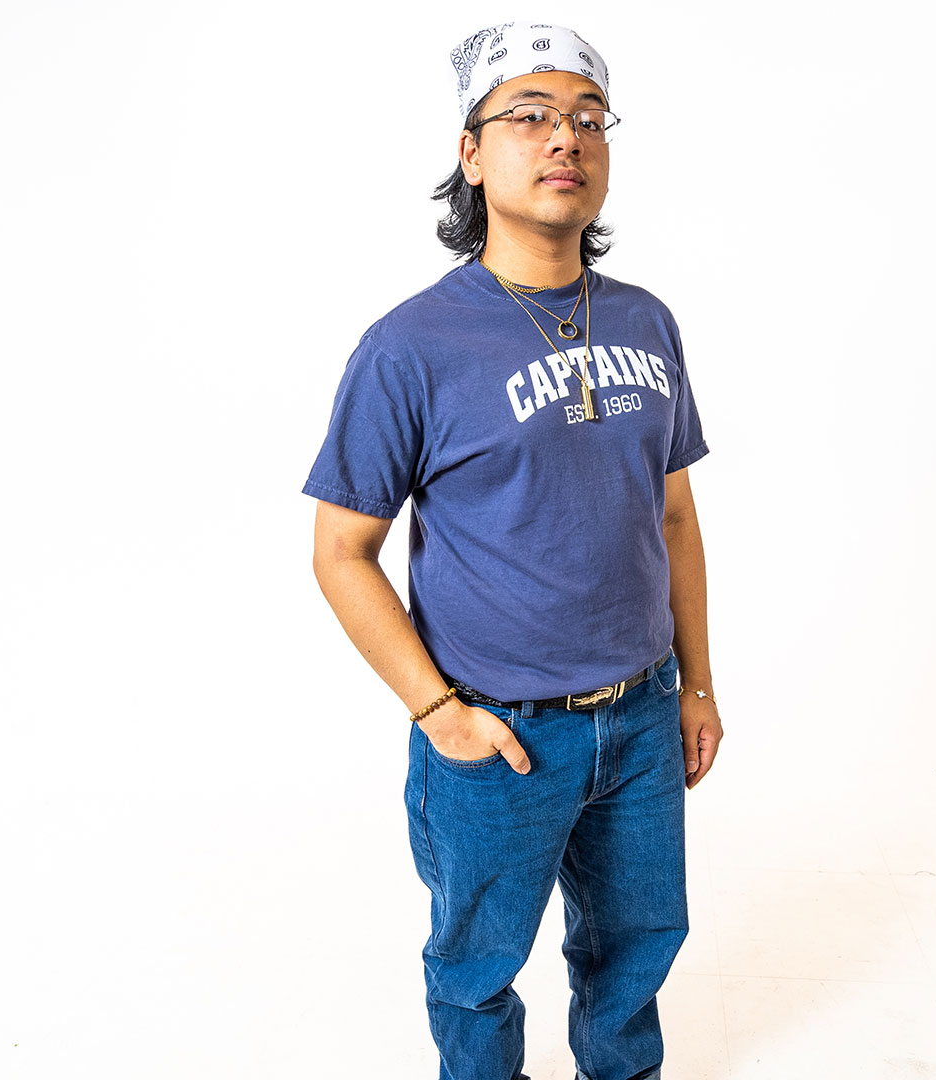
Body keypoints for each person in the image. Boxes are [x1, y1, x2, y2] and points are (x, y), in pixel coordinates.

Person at [303, 22, 722, 1080]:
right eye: (529, 117)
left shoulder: (647, 320)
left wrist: (696, 686)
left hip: (638, 719)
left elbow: (673, 519)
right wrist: (440, 713)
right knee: (478, 966)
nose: (563, 140)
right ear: (471, 153)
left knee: (635, 950)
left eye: (588, 120)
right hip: (501, 737)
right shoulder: (412, 347)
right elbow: (342, 549)